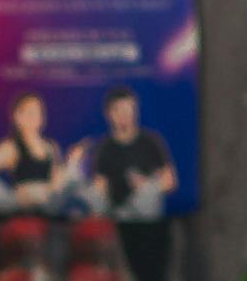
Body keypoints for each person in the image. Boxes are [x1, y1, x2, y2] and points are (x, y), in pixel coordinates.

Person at [72, 83, 178, 219]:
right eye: (119, 110)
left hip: (144, 207)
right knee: (88, 195)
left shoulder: (151, 141)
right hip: (115, 211)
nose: (125, 114)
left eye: (129, 109)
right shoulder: (104, 148)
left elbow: (170, 180)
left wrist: (146, 185)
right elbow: (100, 186)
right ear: (110, 114)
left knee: (148, 194)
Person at [0, 85, 64, 213]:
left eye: (39, 112)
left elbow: (56, 183)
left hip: (48, 207)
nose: (35, 117)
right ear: (17, 116)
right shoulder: (10, 147)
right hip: (23, 208)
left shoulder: (51, 146)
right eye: (30, 113)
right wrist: (10, 199)